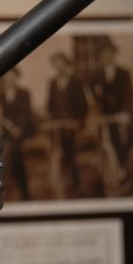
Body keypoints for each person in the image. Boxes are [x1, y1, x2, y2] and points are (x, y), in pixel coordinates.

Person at [91, 42, 133, 174]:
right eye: (104, 53)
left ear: (115, 54)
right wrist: (95, 102)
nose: (107, 56)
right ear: (100, 56)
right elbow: (90, 88)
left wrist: (126, 112)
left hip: (121, 113)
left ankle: (122, 165)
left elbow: (129, 94)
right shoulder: (97, 74)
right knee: (104, 140)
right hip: (105, 114)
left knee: (128, 138)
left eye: (110, 53)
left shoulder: (124, 73)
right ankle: (107, 167)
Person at [47, 52, 88, 191]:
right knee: (56, 148)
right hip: (58, 123)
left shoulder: (75, 82)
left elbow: (83, 105)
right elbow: (50, 105)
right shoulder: (52, 83)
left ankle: (76, 181)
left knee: (69, 148)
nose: (59, 68)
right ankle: (60, 178)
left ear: (66, 65)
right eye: (56, 65)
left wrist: (78, 121)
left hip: (73, 122)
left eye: (61, 65)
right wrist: (51, 118)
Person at [0, 68, 34, 200]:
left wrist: (19, 128)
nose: (10, 80)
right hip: (6, 132)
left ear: (17, 78)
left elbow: (26, 114)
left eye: (13, 77)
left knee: (11, 150)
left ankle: (12, 185)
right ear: (4, 79)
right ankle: (22, 189)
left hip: (22, 131)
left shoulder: (24, 93)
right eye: (7, 77)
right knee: (11, 152)